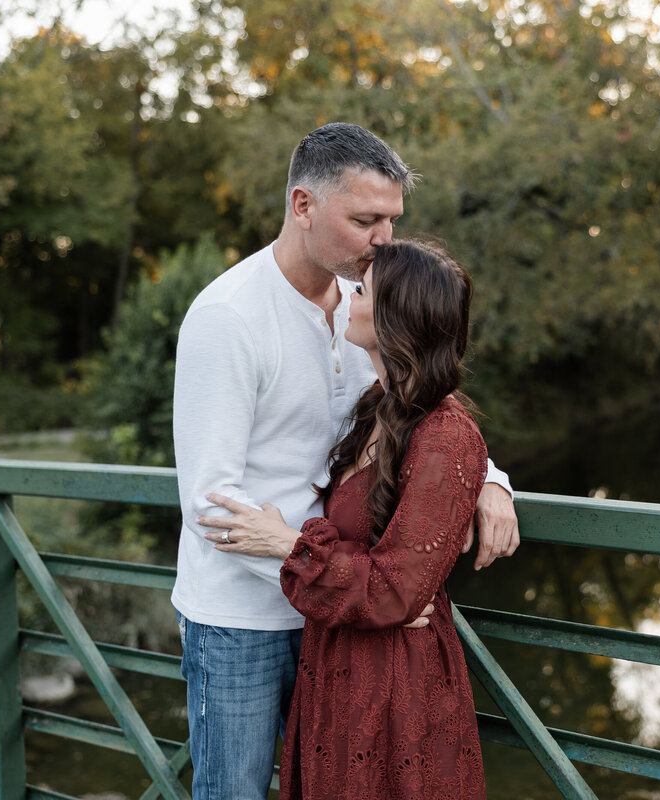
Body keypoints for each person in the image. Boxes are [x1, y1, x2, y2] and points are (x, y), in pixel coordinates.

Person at [171, 122, 518, 800]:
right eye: (365, 219)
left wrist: (490, 480)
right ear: (303, 206)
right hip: (244, 617)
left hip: (336, 614)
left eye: (391, 219)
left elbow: (419, 409)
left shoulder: (367, 308)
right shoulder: (229, 317)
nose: (384, 239)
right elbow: (211, 499)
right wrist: (340, 581)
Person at [204, 239, 488, 799]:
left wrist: (288, 544)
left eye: (363, 291)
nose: (347, 300)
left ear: (393, 319)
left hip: (396, 682)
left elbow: (397, 592)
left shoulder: (446, 436)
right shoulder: (375, 409)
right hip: (337, 658)